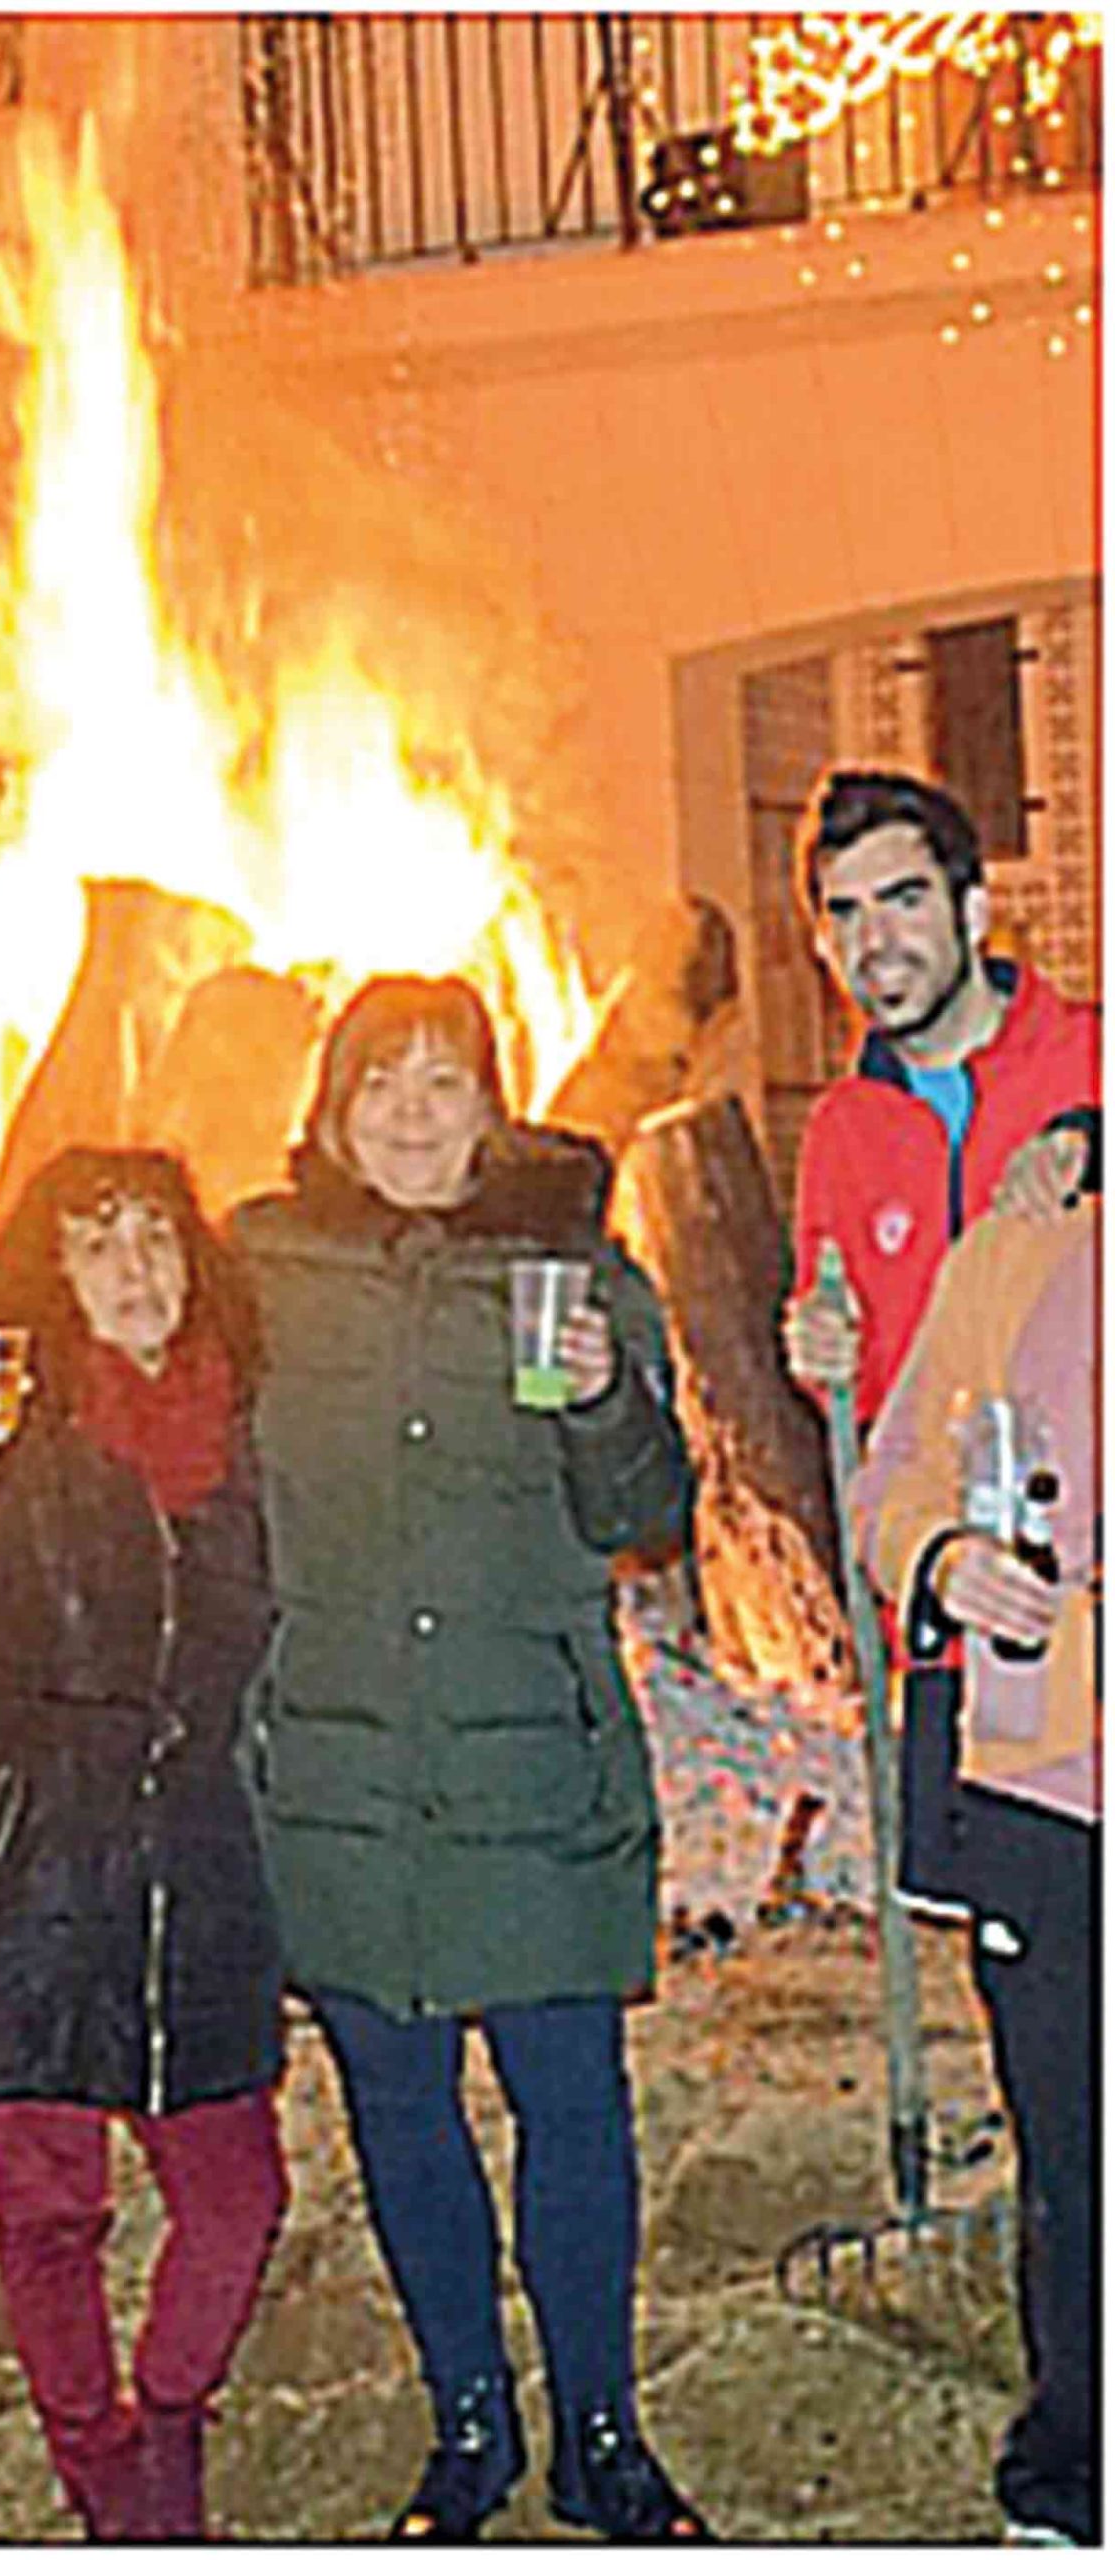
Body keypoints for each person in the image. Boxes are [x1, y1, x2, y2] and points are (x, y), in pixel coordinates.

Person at [229, 975, 711, 2544]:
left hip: (533, 1772)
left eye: (445, 1083)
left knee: (572, 2107)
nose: (414, 1115)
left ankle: (595, 2433)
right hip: (342, 1780)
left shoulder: (571, 1268)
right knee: (402, 2114)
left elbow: (643, 1506)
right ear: (329, 1108)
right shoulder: (263, 1278)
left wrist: (595, 1400)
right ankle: (467, 2428)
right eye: (383, 1084)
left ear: (491, 1106)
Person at [0, 1146, 287, 2543]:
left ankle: (166, 2417)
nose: (134, 1269)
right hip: (22, 1871)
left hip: (196, 1863)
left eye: (153, 1234)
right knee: (50, 2213)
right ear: (49, 1276)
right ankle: (101, 2470)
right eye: (94, 1243)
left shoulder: (245, 1412)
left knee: (236, 2196)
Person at [851, 1147, 1099, 2547]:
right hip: (1036, 1784)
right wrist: (943, 1557)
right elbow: (890, 1485)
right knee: (1069, 2156)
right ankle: (1068, 2477)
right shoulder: (1012, 1255)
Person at [779, 768, 1096, 1432]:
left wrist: (1091, 1144)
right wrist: (825, 1358)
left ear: (973, 914)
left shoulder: (1087, 1055)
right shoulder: (840, 1131)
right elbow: (863, 1392)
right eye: (846, 913)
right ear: (820, 947)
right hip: (934, 1515)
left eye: (905, 901)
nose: (875, 943)